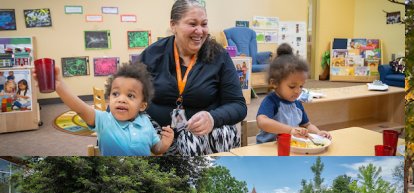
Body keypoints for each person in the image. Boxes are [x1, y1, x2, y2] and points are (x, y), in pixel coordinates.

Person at [138, 0, 246, 155]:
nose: (200, 31)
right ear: (173, 25)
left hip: (202, 137)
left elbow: (238, 106)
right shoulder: (152, 54)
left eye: (204, 24)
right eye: (192, 24)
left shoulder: (220, 57)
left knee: (221, 134)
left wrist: (213, 118)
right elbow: (125, 90)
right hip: (160, 134)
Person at [50, 62, 174, 155]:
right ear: (109, 99)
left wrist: (164, 144)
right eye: (115, 94)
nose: (121, 99)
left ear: (142, 105)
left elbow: (156, 149)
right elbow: (80, 109)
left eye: (130, 95)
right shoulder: (104, 120)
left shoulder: (146, 122)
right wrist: (60, 87)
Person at [255, 44, 331, 144]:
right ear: (274, 83)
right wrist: (290, 130)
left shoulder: (297, 104)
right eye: (292, 86)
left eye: (301, 86)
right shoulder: (271, 101)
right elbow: (262, 122)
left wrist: (318, 132)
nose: (297, 91)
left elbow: (307, 125)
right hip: (268, 147)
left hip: (290, 146)